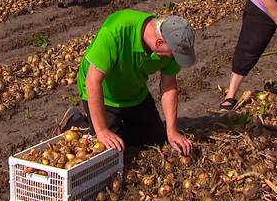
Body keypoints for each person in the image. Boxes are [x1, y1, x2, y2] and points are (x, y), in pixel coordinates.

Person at [75, 10, 196, 155]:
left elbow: (169, 85)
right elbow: (93, 81)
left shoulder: (171, 44)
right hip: (104, 94)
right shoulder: (115, 31)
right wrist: (101, 130)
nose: (174, 58)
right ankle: (77, 123)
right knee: (110, 151)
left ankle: (109, 126)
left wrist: (172, 131)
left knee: (156, 141)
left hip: (134, 92)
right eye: (174, 54)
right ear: (158, 43)